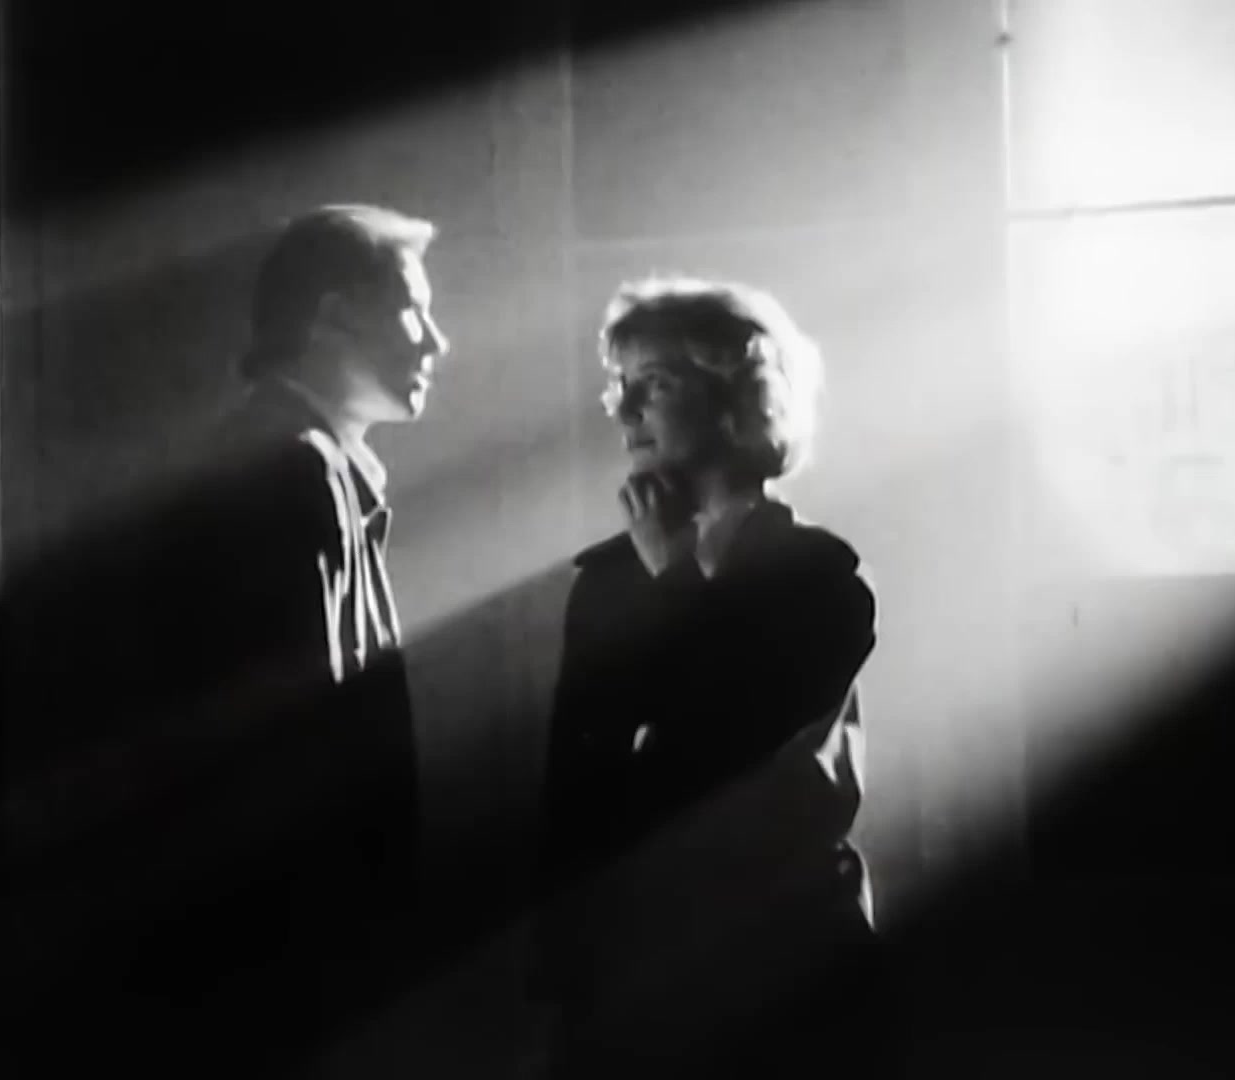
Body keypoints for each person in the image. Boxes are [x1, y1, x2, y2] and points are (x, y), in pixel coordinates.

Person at [98, 202, 451, 1075]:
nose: (437, 342)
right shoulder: (291, 470)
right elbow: (300, 749)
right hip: (284, 959)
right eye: (413, 312)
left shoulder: (306, 463)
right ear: (333, 315)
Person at [532, 275, 882, 1077]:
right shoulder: (606, 582)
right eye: (621, 386)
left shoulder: (822, 578)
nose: (625, 412)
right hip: (633, 965)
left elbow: (731, 737)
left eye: (655, 385)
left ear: (738, 401)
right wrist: (561, 959)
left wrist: (677, 581)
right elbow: (576, 785)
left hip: (784, 954)